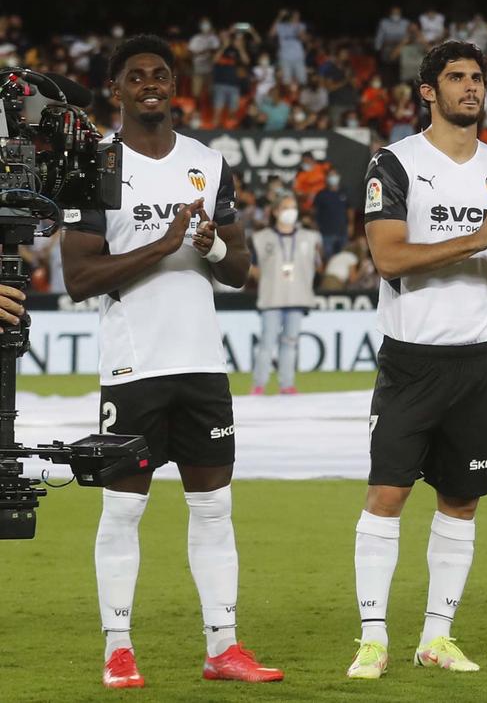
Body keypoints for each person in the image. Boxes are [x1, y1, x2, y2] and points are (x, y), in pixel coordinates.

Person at [61, 35, 283, 688]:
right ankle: (118, 648)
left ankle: (223, 645)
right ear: (117, 90)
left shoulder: (209, 164)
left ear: (175, 86)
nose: (151, 83)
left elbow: (241, 271)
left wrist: (211, 248)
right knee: (123, 510)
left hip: (202, 365)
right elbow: (78, 276)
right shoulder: (94, 164)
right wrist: (162, 244)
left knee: (214, 509)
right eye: (137, 75)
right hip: (134, 368)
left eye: (162, 73)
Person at [348, 41, 487, 677]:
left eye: (477, 78)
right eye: (456, 78)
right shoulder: (394, 163)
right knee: (387, 493)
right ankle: (373, 638)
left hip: (479, 358)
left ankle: (437, 636)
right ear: (427, 91)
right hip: (412, 359)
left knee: (462, 500)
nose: (470, 88)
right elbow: (390, 258)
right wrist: (479, 235)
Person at [248, 192, 321, 395]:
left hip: (297, 297)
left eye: (293, 207)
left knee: (290, 343)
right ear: (276, 211)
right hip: (272, 298)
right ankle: (259, 385)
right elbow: (251, 267)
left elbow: (317, 266)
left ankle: (286, 384)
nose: (291, 212)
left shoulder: (309, 237)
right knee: (267, 343)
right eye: (287, 207)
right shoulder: (261, 238)